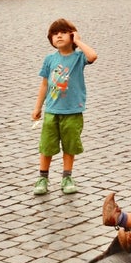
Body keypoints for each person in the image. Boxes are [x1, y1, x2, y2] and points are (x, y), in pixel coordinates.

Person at [32, 19, 97, 195]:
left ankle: (67, 177)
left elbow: (92, 56)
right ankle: (42, 177)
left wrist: (78, 41)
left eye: (63, 32)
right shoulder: (50, 59)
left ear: (71, 35)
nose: (58, 35)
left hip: (73, 111)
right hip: (52, 111)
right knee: (46, 146)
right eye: (55, 33)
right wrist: (38, 107)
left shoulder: (78, 57)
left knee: (69, 146)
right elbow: (44, 85)